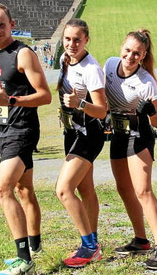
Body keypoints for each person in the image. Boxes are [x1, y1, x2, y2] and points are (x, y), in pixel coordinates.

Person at [0, 3, 52, 275]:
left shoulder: (23, 54)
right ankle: (35, 247)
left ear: (12, 24)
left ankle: (23, 258)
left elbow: (45, 95)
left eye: (1, 24)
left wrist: (11, 100)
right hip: (6, 128)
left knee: (2, 189)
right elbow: (3, 92)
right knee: (24, 191)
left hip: (22, 129)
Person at [105, 29, 157, 270]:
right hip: (118, 134)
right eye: (128, 50)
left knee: (143, 191)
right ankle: (141, 239)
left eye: (137, 54)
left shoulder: (146, 82)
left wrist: (150, 111)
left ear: (143, 57)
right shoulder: (110, 64)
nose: (130, 57)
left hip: (139, 135)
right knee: (123, 188)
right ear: (121, 47)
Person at [54, 19, 108, 268]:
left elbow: (102, 110)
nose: (71, 44)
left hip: (89, 134)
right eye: (68, 39)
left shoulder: (91, 68)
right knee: (85, 189)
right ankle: (93, 240)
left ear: (86, 39)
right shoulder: (65, 60)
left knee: (64, 190)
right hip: (71, 132)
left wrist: (80, 104)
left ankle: (88, 246)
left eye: (77, 39)